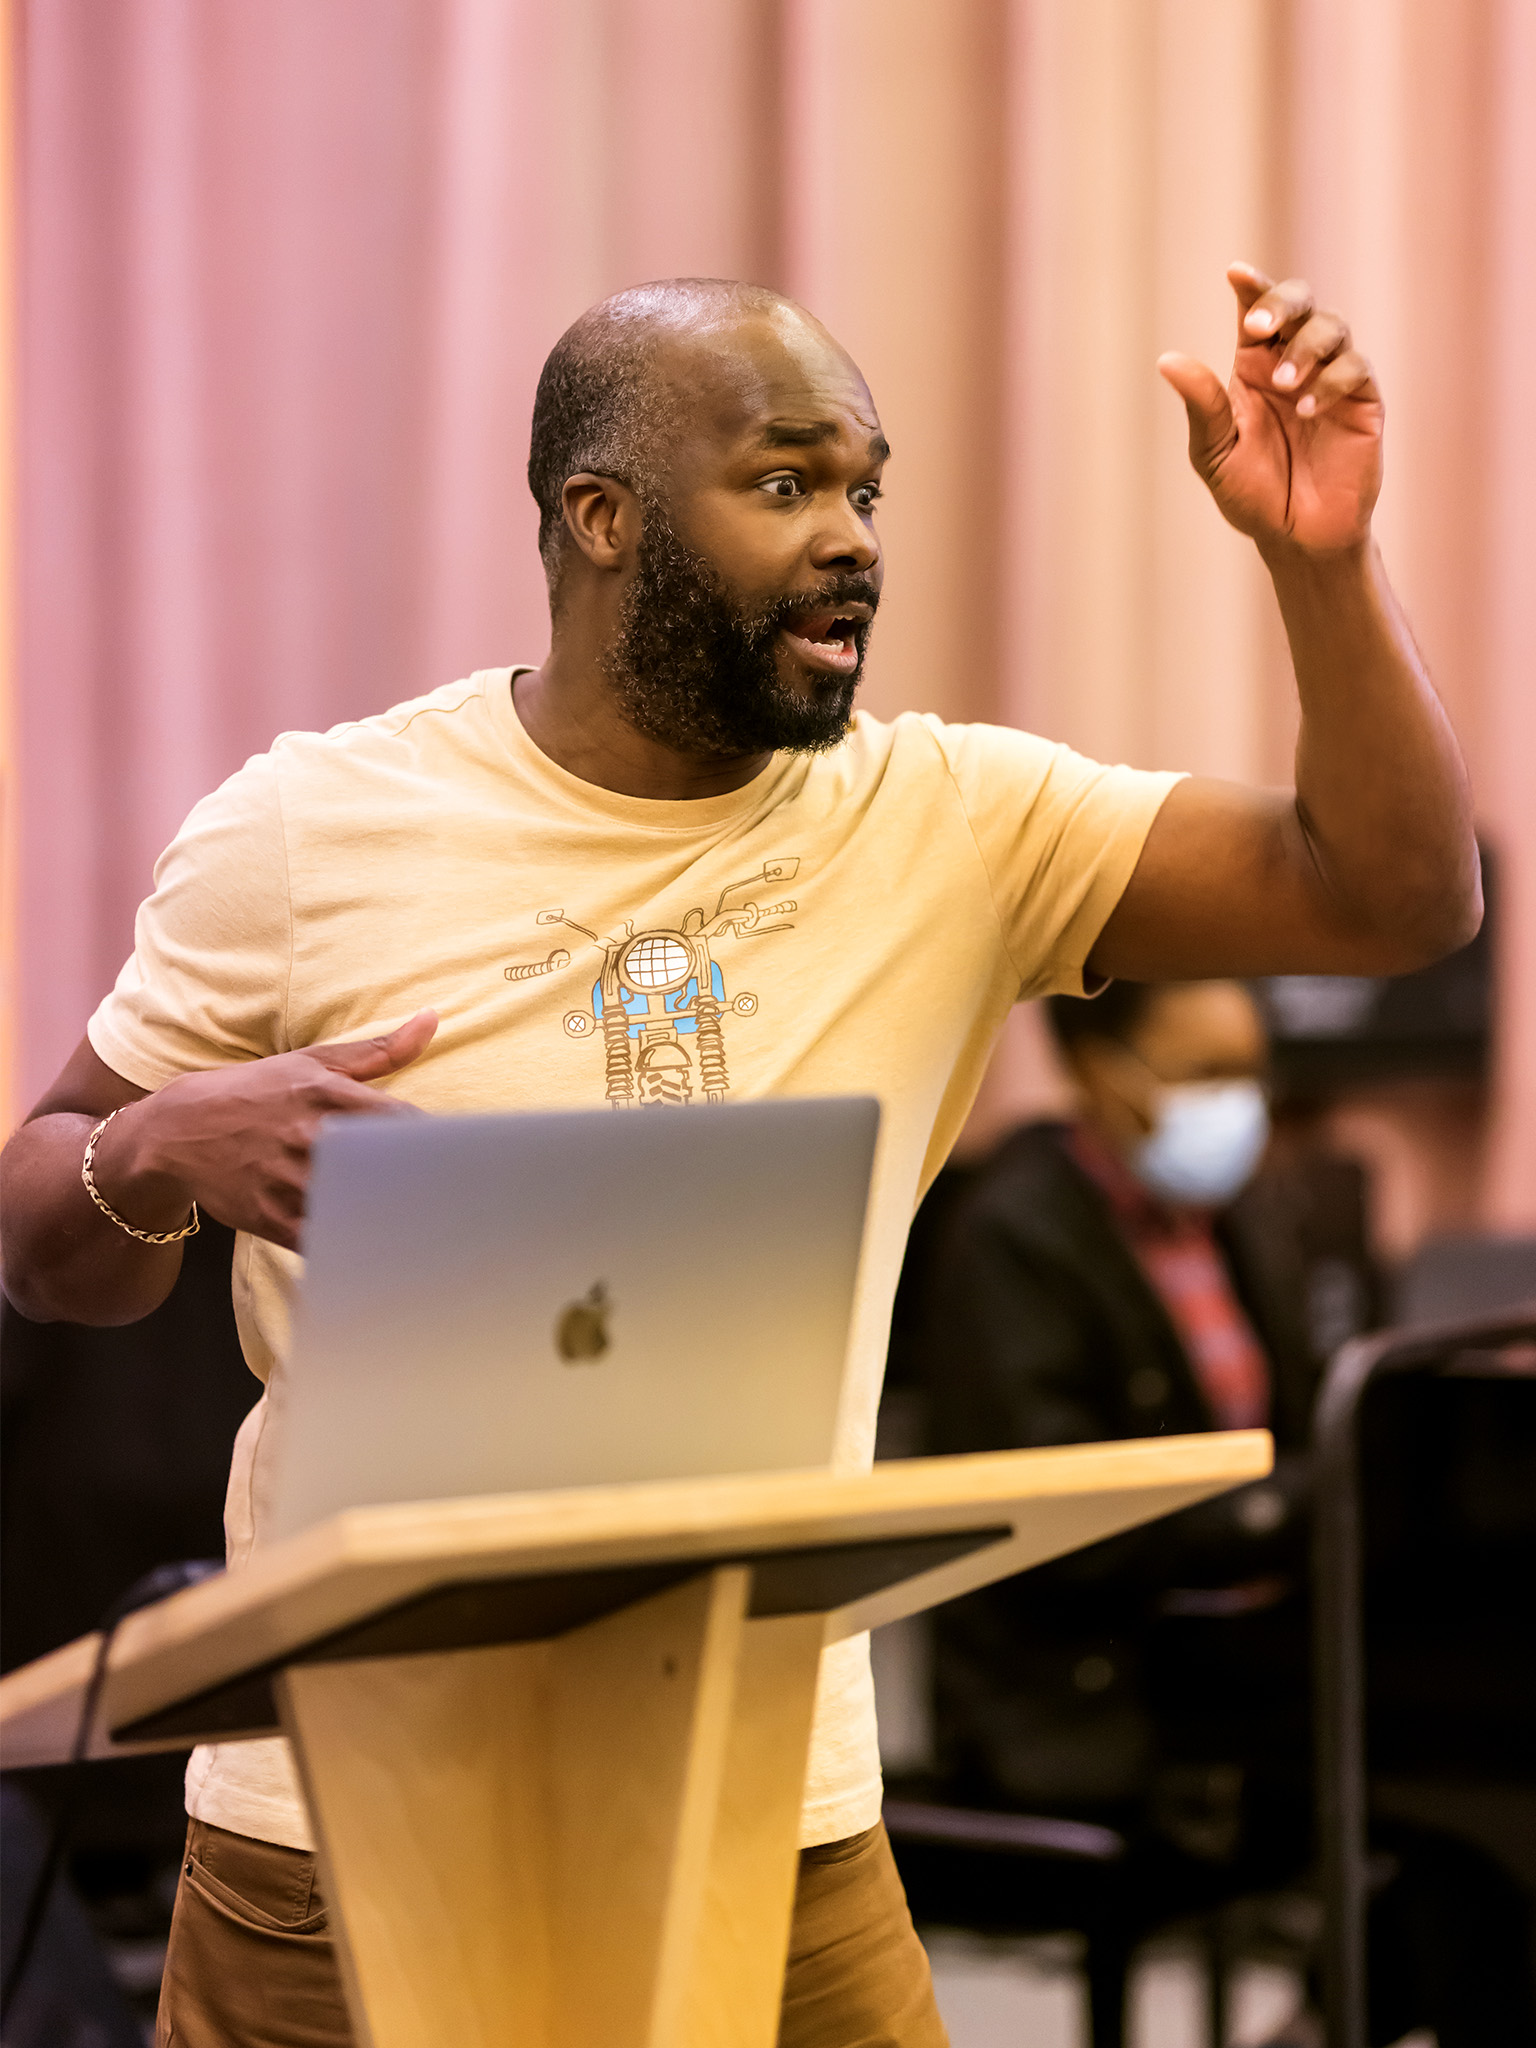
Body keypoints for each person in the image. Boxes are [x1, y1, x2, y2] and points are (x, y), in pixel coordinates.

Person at [0, 265, 1479, 2048]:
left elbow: (1395, 896)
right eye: (787, 484)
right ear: (599, 515)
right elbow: (46, 1225)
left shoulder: (953, 822)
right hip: (345, 1831)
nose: (851, 536)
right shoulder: (311, 828)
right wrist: (159, 1144)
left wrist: (1318, 561)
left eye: (865, 487)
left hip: (776, 1820)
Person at [910, 980, 1536, 2048]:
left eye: (1247, 1070)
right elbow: (1071, 1532)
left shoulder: (1237, 1211)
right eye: (1206, 1073)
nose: (1239, 1102)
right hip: (1088, 1679)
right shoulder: (1012, 1235)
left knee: (1483, 1792)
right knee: (1467, 1796)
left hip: (1240, 1645)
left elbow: (1305, 1438)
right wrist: (1294, 1506)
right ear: (1103, 1070)